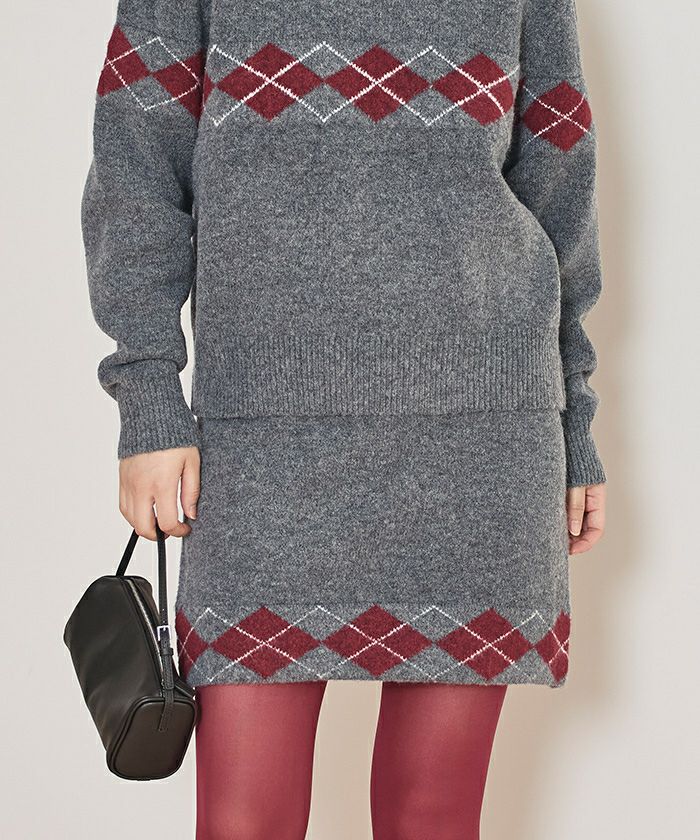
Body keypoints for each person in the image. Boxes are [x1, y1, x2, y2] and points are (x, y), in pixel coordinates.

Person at [82, 0, 607, 836]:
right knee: (244, 823)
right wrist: (147, 392)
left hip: (481, 437)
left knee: (432, 820)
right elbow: (135, 166)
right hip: (260, 437)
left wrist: (575, 422)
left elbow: (560, 181)